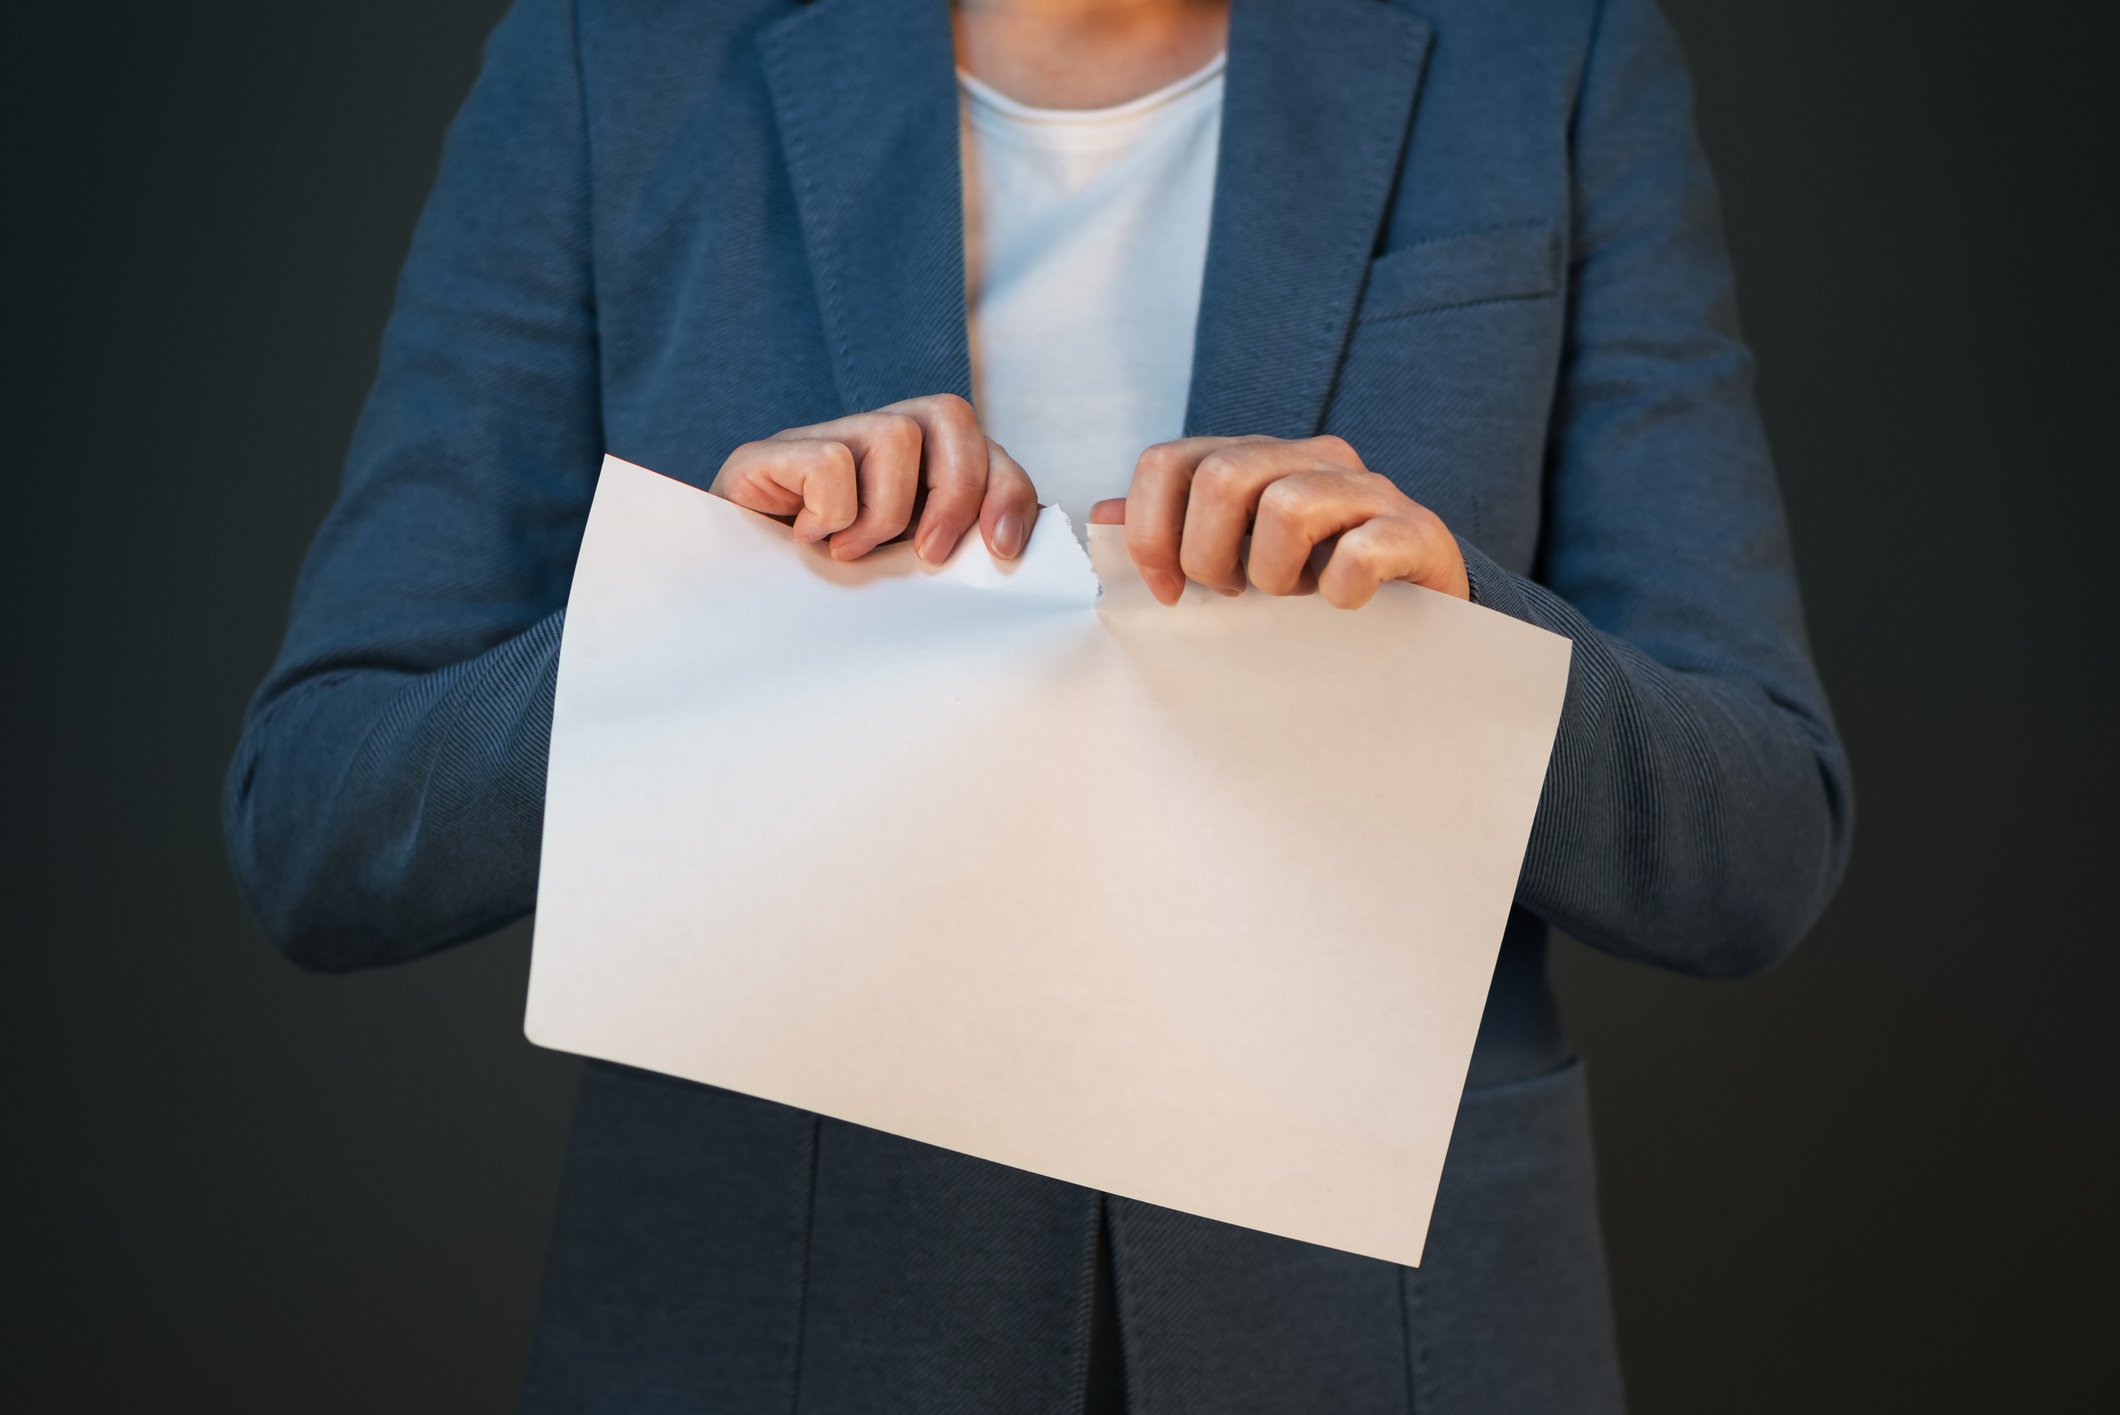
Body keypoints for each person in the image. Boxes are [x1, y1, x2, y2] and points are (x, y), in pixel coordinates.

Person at [222, 0, 1855, 1409]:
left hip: (1386, 1340)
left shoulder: (1548, 56)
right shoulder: (616, 61)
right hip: (771, 1325)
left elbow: (1762, 850)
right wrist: (699, 616)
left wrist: (1456, 637)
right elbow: (320, 820)